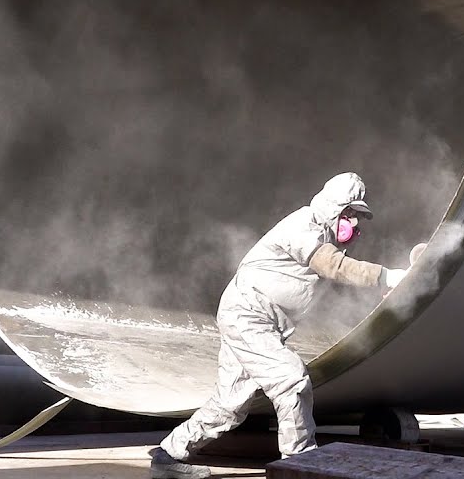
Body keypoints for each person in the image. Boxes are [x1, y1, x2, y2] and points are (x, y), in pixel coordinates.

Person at [150, 172, 408, 478]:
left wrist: (388, 287)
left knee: (230, 403)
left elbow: (335, 272)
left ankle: (168, 455)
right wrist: (387, 276)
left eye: (358, 217)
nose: (354, 224)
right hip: (248, 314)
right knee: (292, 380)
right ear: (333, 207)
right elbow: (333, 266)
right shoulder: (304, 226)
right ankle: (301, 467)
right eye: (350, 213)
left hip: (260, 321)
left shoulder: (325, 239)